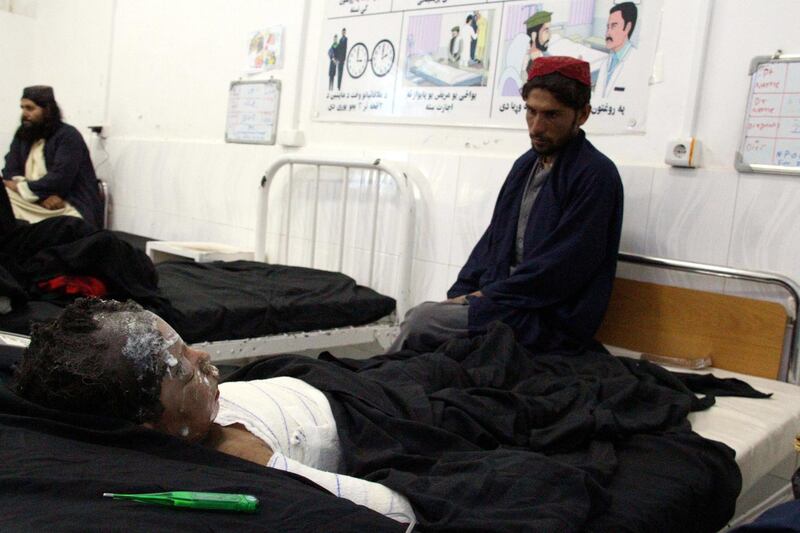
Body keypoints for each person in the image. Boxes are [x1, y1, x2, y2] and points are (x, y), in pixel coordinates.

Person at [11, 298, 416, 525]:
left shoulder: (167, 418)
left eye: (188, 346)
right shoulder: (241, 463)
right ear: (154, 425)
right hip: (373, 410)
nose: (205, 355)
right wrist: (271, 463)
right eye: (187, 371)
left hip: (315, 376)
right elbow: (401, 513)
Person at [389, 56, 624, 354]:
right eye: (531, 112)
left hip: (549, 318)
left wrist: (482, 297)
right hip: (505, 303)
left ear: (583, 114)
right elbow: (492, 242)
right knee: (427, 319)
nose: (536, 127)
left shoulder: (596, 175)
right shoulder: (525, 166)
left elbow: (560, 271)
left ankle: (371, 390)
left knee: (422, 321)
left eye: (551, 115)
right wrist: (461, 294)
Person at [2, 86, 103, 229]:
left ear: (47, 110)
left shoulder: (67, 136)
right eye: (22, 108)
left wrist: (24, 189)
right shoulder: (23, 133)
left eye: (30, 108)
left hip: (64, 203)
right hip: (35, 200)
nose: (24, 114)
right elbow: (9, 170)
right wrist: (33, 194)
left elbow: (60, 179)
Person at [594, 2, 639, 98]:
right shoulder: (605, 63)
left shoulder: (637, 63)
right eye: (608, 27)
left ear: (627, 27)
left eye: (614, 26)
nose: (608, 33)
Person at [522, 11, 552, 80]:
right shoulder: (523, 62)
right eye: (546, 31)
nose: (550, 36)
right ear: (534, 35)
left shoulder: (548, 58)